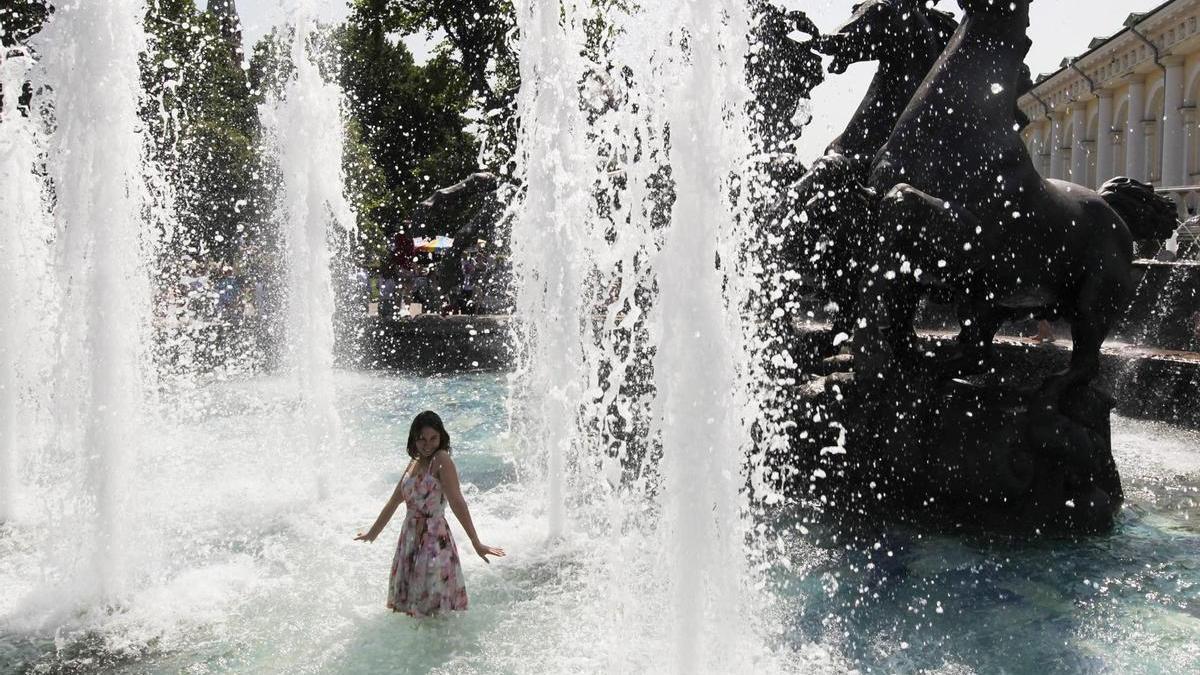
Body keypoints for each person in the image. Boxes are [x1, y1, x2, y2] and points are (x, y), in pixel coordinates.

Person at [355, 411, 504, 617]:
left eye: (434, 438)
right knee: (414, 610)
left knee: (432, 609)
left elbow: (457, 501)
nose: (428, 444)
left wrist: (476, 542)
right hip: (409, 541)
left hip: (434, 541)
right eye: (422, 439)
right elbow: (394, 501)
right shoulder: (414, 462)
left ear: (441, 437)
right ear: (413, 439)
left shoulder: (442, 460)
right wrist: (372, 534)